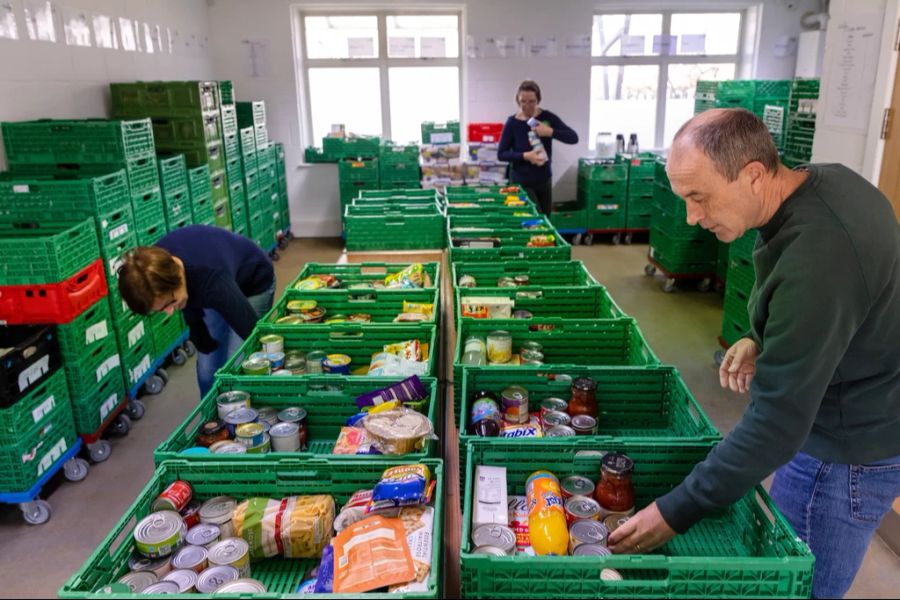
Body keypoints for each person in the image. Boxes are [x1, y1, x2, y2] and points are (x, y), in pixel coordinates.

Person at [607, 108, 900, 599]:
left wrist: (674, 512)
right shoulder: (827, 185)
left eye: (699, 198)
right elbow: (852, 306)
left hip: (841, 452)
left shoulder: (820, 260)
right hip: (862, 410)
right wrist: (767, 338)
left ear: (753, 175)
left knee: (797, 587)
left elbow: (776, 426)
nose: (692, 218)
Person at [118, 224, 276, 397]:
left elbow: (255, 334)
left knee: (238, 363)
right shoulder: (151, 266)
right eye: (161, 309)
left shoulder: (212, 280)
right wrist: (195, 322)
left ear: (176, 281)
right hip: (214, 283)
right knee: (207, 369)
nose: (169, 312)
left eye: (168, 304)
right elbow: (189, 288)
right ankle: (211, 417)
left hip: (254, 281)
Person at [497, 79, 578, 215]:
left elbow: (573, 138)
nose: (527, 106)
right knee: (533, 220)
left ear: (538, 100)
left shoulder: (547, 117)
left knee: (545, 220)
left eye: (531, 101)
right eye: (523, 101)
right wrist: (525, 156)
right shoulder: (512, 123)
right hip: (521, 182)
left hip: (544, 180)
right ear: (518, 100)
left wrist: (550, 132)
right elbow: (501, 154)